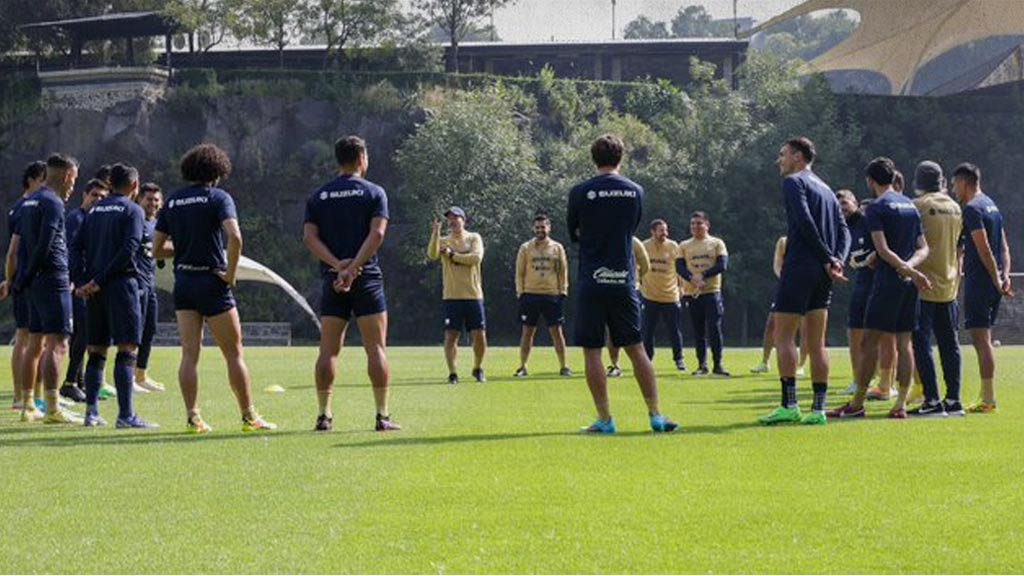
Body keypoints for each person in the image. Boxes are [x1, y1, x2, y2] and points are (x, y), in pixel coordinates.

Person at [153, 143, 276, 434]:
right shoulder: (218, 197)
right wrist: (230, 274)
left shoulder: (173, 201)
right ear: (218, 170)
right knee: (234, 354)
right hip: (212, 281)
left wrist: (183, 248)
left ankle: (193, 418)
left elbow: (157, 249)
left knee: (189, 354)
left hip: (183, 282)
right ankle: (249, 417)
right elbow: (235, 237)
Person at [567, 134, 678, 434]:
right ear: (621, 158)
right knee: (636, 348)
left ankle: (605, 420)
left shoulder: (580, 191)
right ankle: (656, 415)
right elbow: (632, 227)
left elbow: (573, 231)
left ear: (593, 158)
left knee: (592, 351)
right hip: (624, 281)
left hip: (592, 278)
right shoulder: (635, 191)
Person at [303, 135, 400, 432]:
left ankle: (324, 416)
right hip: (366, 277)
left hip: (334, 279)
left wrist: (338, 266)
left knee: (328, 351)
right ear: (362, 159)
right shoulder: (374, 193)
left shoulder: (319, 196)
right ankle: (382, 416)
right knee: (376, 349)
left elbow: (309, 238)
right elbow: (377, 235)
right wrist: (355, 267)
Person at [829, 157, 931, 420]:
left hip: (887, 282)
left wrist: (905, 269)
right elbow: (923, 248)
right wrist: (911, 269)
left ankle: (857, 404)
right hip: (909, 284)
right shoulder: (910, 205)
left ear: (870, 181)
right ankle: (900, 406)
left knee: (870, 341)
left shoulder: (876, 207)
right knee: (904, 343)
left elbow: (882, 249)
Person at [759, 137, 849, 426]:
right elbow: (844, 230)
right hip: (824, 273)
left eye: (782, 154)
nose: (779, 160)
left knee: (783, 337)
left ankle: (790, 405)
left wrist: (825, 257)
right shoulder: (826, 189)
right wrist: (837, 260)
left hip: (800, 267)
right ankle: (819, 409)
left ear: (798, 156)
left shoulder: (794, 183)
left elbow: (804, 220)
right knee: (817, 341)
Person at [72, 163, 158, 428]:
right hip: (121, 286)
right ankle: (126, 415)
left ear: (110, 184)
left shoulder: (95, 209)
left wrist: (83, 281)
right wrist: (98, 281)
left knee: (96, 350)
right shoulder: (133, 210)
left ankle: (92, 413)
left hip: (94, 290)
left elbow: (75, 247)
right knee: (127, 348)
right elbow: (129, 249)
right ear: (134, 186)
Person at [11, 154, 82, 423]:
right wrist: (30, 273)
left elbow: (22, 246)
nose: (73, 186)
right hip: (52, 279)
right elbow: (45, 242)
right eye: (73, 180)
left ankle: (28, 404)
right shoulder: (52, 202)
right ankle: (53, 407)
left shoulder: (29, 201)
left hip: (34, 282)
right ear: (66, 176)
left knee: (35, 343)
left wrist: (24, 277)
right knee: (58, 343)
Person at [953, 162, 1012, 413]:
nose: (954, 189)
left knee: (981, 340)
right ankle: (987, 396)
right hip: (994, 280)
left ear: (965, 182)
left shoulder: (972, 209)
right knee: (984, 338)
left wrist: (995, 278)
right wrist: (1004, 275)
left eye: (955, 183)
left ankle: (988, 398)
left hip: (981, 282)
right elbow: (1004, 247)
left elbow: (984, 247)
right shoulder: (992, 205)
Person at [908, 161, 964, 417]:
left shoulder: (918, 206)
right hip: (949, 282)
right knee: (949, 343)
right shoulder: (955, 207)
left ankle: (932, 399)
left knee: (921, 342)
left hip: (923, 282)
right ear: (942, 181)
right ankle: (954, 399)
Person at [1, 161, 47, 411]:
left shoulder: (19, 207)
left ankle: (26, 396)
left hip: (22, 279)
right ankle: (24, 396)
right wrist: (11, 281)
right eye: (44, 178)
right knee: (28, 338)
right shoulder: (26, 208)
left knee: (27, 337)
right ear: (31, 180)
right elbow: (13, 253)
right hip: (28, 280)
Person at [61, 176, 110, 403]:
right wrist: (76, 281)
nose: (98, 200)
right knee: (82, 334)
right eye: (94, 195)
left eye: (102, 197)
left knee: (86, 333)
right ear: (84, 195)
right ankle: (70, 382)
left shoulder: (95, 221)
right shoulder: (76, 218)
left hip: (89, 285)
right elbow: (71, 251)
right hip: (78, 285)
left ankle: (79, 382)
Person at [427, 206, 486, 385]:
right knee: (451, 336)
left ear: (464, 220)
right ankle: (453, 373)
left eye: (456, 218)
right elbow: (432, 254)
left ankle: (478, 368)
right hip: (452, 296)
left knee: (479, 335)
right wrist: (436, 233)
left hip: (473, 295)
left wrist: (453, 256)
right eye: (450, 219)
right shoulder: (444, 240)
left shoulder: (473, 237)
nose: (453, 221)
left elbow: (476, 258)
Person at [513, 213, 571, 378]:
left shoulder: (557, 248)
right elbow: (519, 272)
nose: (540, 230)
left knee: (556, 332)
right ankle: (523, 366)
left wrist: (563, 291)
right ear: (533, 228)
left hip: (552, 295)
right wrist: (520, 292)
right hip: (530, 294)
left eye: (543, 227)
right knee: (527, 332)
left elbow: (562, 271)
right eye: (537, 227)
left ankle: (564, 366)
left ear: (549, 228)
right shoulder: (525, 248)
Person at [678, 211, 730, 377]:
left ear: (707, 225)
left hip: (711, 292)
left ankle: (718, 365)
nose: (695, 226)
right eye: (693, 223)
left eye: (699, 223)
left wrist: (703, 275)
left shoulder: (716, 243)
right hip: (692, 293)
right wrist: (692, 278)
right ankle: (702, 365)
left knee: (714, 328)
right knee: (698, 330)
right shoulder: (684, 245)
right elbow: (679, 267)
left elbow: (722, 265)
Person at [750, 236, 809, 375]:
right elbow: (777, 264)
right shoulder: (784, 241)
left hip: (806, 288)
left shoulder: (811, 239)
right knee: (771, 324)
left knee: (804, 327)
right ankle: (764, 362)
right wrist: (786, 280)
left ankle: (800, 365)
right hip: (787, 287)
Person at [838, 191, 876, 395]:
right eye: (838, 205)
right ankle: (858, 379)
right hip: (861, 281)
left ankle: (887, 381)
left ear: (856, 203)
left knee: (883, 334)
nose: (841, 208)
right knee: (854, 331)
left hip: (879, 281)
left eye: (845, 203)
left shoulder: (868, 220)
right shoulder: (841, 226)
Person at [640, 219, 686, 371]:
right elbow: (637, 266)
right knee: (647, 331)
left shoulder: (673, 246)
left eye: (666, 230)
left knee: (674, 330)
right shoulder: (644, 246)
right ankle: (647, 360)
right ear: (652, 231)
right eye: (661, 230)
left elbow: (679, 269)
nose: (664, 233)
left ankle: (679, 359)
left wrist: (681, 288)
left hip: (670, 296)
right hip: (649, 295)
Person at [133, 182, 166, 393]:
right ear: (139, 200)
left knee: (150, 328)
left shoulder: (158, 224)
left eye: (156, 200)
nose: (152, 204)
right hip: (136, 283)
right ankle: (129, 379)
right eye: (148, 199)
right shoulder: (135, 220)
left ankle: (141, 375)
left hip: (150, 282)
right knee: (135, 330)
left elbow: (158, 252)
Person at [606, 236, 648, 377]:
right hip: (609, 288)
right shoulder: (603, 238)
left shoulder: (633, 241)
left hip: (629, 290)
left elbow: (645, 265)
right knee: (612, 330)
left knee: (634, 330)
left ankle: (639, 366)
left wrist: (635, 280)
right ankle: (614, 364)